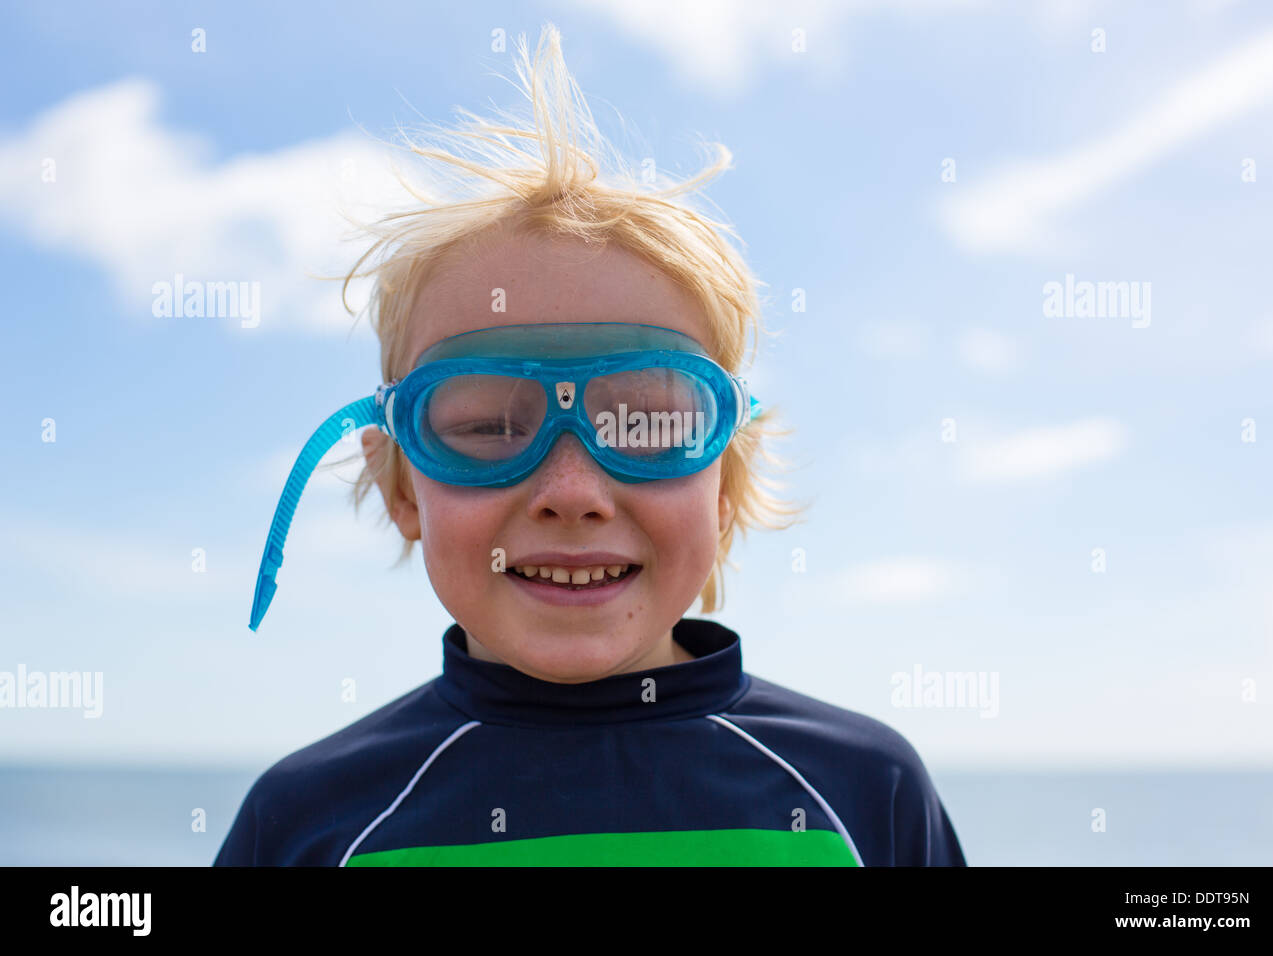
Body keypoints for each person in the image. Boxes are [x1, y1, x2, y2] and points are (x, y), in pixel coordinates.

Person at [214, 23, 966, 867]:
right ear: (399, 488)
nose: (572, 489)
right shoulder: (312, 824)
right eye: (488, 428)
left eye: (645, 424)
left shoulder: (861, 798)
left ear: (723, 486)